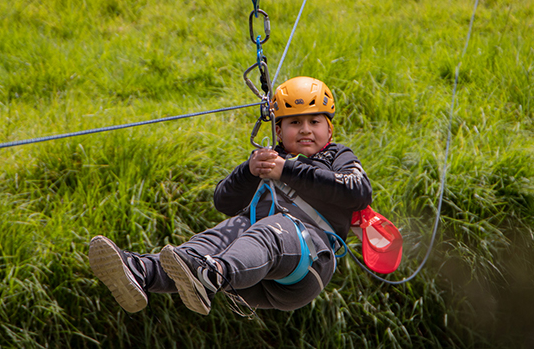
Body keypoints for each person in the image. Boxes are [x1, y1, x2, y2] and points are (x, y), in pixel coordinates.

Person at [88, 76, 372, 315]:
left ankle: (213, 274)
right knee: (219, 235)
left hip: (307, 264)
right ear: (278, 130)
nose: (306, 129)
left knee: (270, 230)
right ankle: (141, 272)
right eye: (295, 123)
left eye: (314, 121)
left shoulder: (337, 156)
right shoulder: (268, 159)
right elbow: (225, 202)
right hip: (248, 275)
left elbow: (358, 191)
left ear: (329, 129)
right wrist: (248, 171)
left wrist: (288, 171)